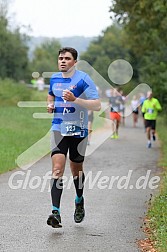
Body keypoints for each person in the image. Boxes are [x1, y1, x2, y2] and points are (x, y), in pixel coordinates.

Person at [46, 47, 101, 228]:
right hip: (58, 128)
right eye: (60, 58)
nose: (63, 61)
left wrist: (75, 100)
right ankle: (56, 212)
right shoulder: (54, 78)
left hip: (78, 129)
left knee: (76, 169)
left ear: (75, 62)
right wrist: (50, 104)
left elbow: (97, 105)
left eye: (67, 58)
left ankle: (79, 199)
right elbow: (51, 94)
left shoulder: (84, 79)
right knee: (57, 169)